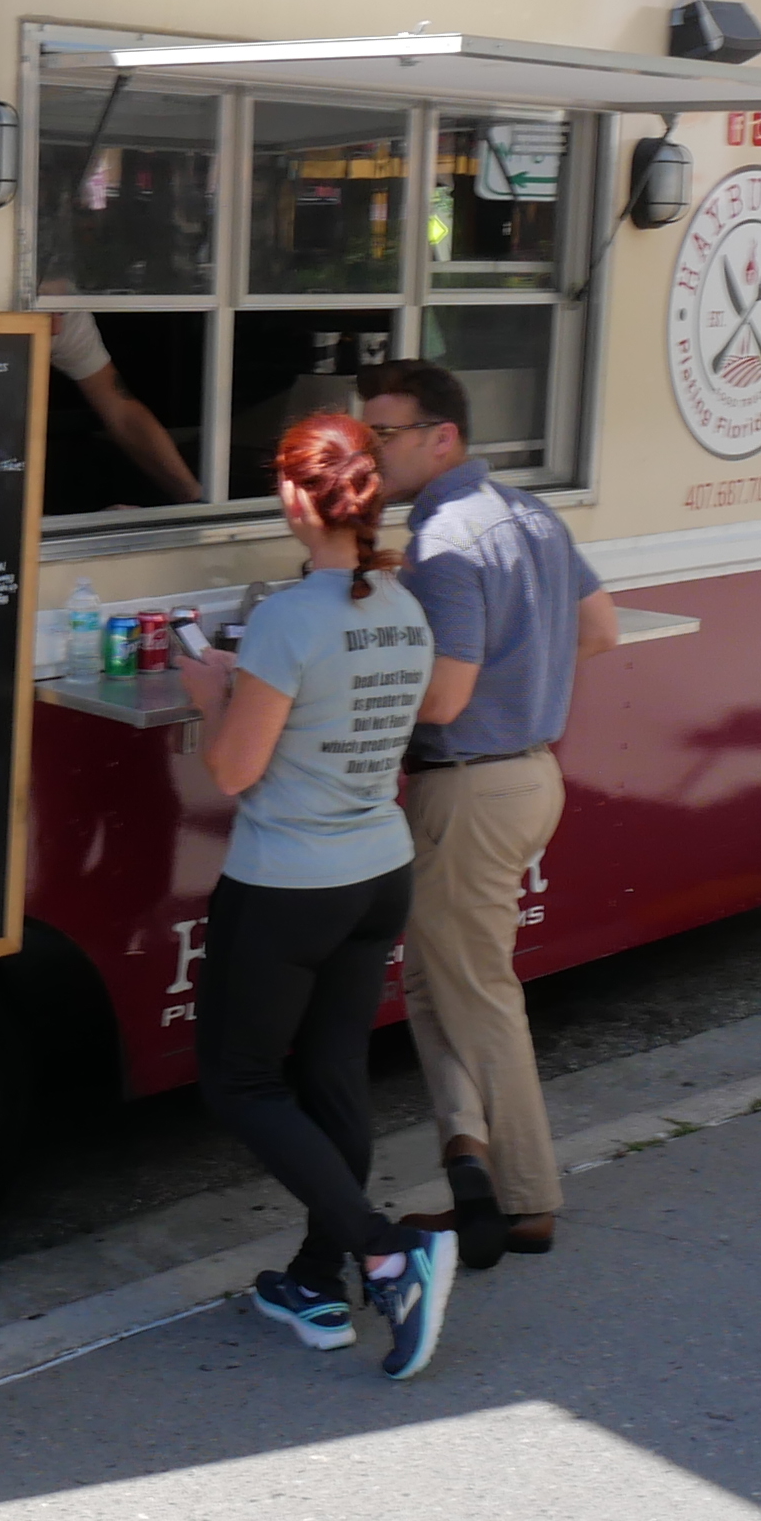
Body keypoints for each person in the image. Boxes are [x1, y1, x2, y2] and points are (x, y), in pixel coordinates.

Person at [173, 414, 459, 1379]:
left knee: (242, 1082)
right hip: (378, 871)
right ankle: (312, 1280)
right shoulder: (403, 607)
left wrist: (209, 689)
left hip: (288, 882)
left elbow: (234, 772)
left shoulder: (295, 618)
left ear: (297, 499)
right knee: (331, 1075)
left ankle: (386, 1250)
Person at [354, 359, 617, 1270]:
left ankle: (529, 1201)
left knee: (479, 995)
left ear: (443, 438)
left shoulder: (444, 542)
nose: (370, 450)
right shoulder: (530, 514)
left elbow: (444, 697)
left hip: (465, 785)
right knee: (440, 983)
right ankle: (469, 1162)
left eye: (384, 435)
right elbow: (600, 627)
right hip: (530, 774)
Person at [47, 306, 201, 505]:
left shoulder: (67, 315)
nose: (56, 328)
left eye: (61, 313)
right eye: (43, 311)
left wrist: (191, 496)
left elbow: (122, 413)